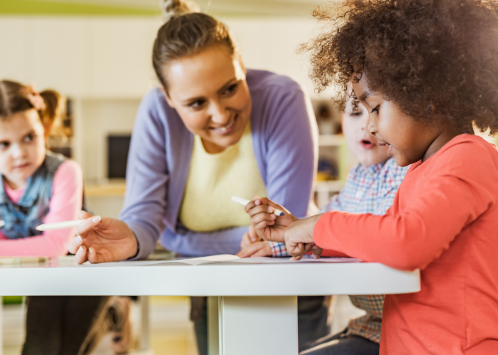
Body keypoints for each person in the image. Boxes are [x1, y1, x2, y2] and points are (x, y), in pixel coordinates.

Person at [245, 0, 498, 353]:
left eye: (375, 108)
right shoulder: (420, 170)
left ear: (427, 96)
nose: (371, 126)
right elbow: (382, 235)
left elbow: (406, 242)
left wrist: (319, 224)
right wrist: (308, 236)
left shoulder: (470, 157)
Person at [67, 0, 327, 353]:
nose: (220, 115)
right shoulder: (156, 113)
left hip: (290, 279)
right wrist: (129, 237)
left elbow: (283, 232)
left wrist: (183, 243)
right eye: (196, 103)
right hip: (208, 283)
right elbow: (144, 219)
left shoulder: (282, 98)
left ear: (242, 67)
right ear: (170, 100)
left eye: (230, 88)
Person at [239, 92, 409, 354]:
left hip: (402, 332)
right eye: (355, 113)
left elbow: (374, 234)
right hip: (371, 326)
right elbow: (322, 225)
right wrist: (281, 238)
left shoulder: (408, 171)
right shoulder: (358, 178)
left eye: (376, 110)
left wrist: (298, 234)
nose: (366, 125)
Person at [0, 80, 130, 355]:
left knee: (71, 347)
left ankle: (115, 313)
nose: (19, 152)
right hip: (44, 273)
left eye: (29, 137)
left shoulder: (65, 171)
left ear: (44, 130)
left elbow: (56, 244)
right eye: (4, 143)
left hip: (85, 266)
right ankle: (116, 313)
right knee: (42, 348)